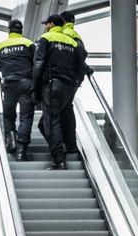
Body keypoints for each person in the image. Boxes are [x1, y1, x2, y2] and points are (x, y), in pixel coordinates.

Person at [0, 19, 35, 160]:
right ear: (21, 30)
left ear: (9, 30)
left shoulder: (0, 46)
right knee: (26, 117)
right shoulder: (29, 43)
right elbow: (38, 62)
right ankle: (22, 150)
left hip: (9, 85)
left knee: (8, 115)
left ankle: (11, 141)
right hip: (26, 84)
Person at [33, 14, 80, 170]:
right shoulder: (72, 42)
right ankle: (62, 148)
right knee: (44, 124)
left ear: (52, 24)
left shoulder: (46, 38)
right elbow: (81, 66)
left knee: (51, 122)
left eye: (47, 23)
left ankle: (59, 160)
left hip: (52, 85)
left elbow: (38, 64)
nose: (45, 26)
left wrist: (36, 88)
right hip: (67, 88)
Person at [60, 10, 92, 154]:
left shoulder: (64, 35)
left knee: (61, 109)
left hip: (66, 77)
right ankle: (70, 142)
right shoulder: (77, 36)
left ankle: (65, 142)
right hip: (76, 78)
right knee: (67, 107)